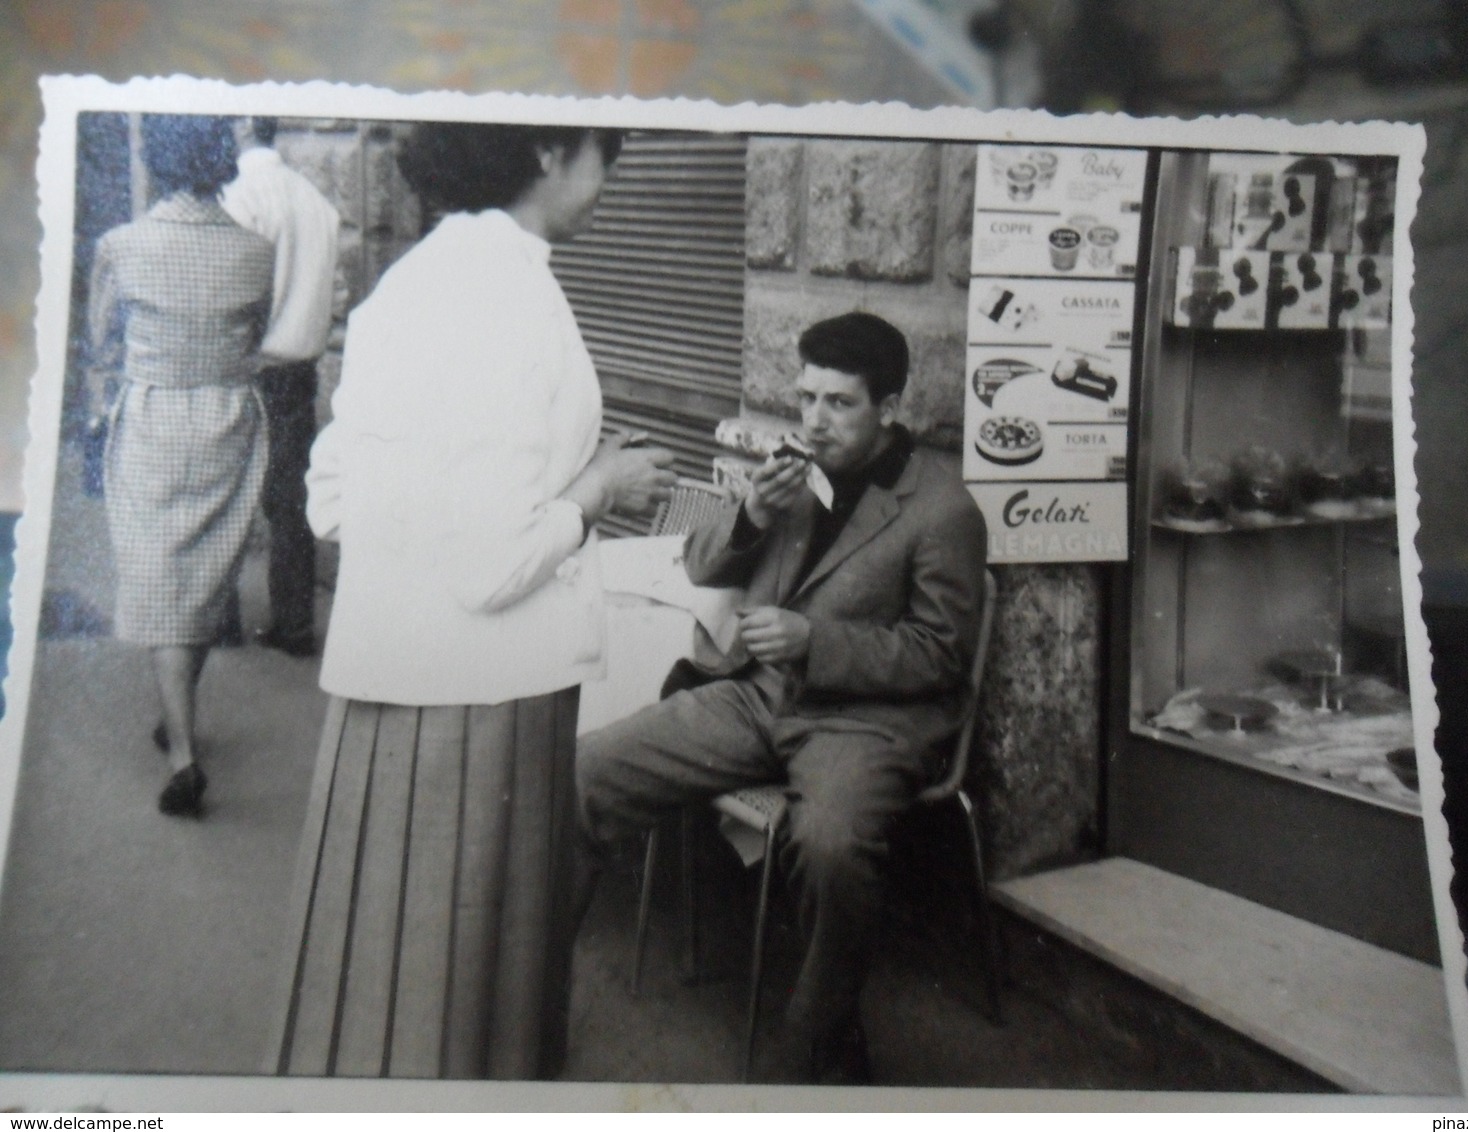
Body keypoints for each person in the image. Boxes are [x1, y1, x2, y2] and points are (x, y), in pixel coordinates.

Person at [297, 121, 676, 1078]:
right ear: (549, 151)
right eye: (606, 157)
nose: (609, 183)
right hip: (483, 707)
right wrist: (596, 492)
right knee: (470, 994)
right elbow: (490, 562)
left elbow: (330, 498)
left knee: (384, 982)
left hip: (389, 699)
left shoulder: (416, 278)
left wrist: (508, 493)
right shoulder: (507, 292)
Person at [575, 311, 990, 1083]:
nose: (814, 421)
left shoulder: (943, 509)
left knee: (831, 849)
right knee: (589, 769)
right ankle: (530, 984)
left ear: (889, 408)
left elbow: (943, 656)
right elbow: (698, 568)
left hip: (862, 725)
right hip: (757, 698)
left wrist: (815, 642)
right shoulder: (794, 474)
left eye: (840, 404)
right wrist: (752, 513)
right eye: (806, 399)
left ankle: (823, 1039)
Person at [85, 113, 275, 819]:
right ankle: (179, 713)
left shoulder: (121, 245)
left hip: (155, 420)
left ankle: (183, 752)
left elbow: (102, 340)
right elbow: (257, 329)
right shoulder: (256, 250)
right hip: (227, 419)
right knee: (201, 579)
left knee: (159, 575)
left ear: (155, 160)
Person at [219, 116, 341, 658]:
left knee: (224, 495)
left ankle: (218, 620)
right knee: (290, 501)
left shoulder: (237, 197)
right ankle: (294, 625)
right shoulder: (316, 200)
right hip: (300, 370)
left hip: (248, 367)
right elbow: (337, 292)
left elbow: (232, 291)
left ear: (241, 130)